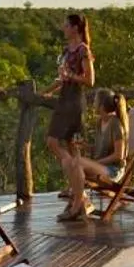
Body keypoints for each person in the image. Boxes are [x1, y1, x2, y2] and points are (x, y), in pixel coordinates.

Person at [43, 12, 96, 220]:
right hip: (64, 99)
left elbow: (90, 80)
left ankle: (78, 195)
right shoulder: (67, 50)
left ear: (75, 28)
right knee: (73, 151)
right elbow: (61, 78)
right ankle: (77, 197)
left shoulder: (83, 50)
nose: (63, 28)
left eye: (66, 25)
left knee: (52, 142)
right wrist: (47, 91)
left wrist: (70, 76)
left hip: (74, 102)